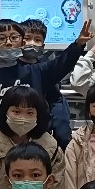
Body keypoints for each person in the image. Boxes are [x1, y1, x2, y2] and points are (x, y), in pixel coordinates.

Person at [0, 18, 87, 138]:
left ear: (21, 43)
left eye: (14, 37)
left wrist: (78, 45)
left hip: (32, 142)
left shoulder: (36, 71)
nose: (8, 43)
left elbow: (61, 64)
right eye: (1, 38)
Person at [0, 85, 68, 189]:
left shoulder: (51, 148)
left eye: (30, 113)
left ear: (38, 115)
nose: (23, 118)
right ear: (5, 112)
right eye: (16, 112)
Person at [17, 19, 73, 147]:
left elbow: (56, 102)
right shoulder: (8, 67)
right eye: (27, 38)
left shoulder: (46, 69)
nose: (32, 43)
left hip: (39, 132)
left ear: (43, 46)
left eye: (37, 40)